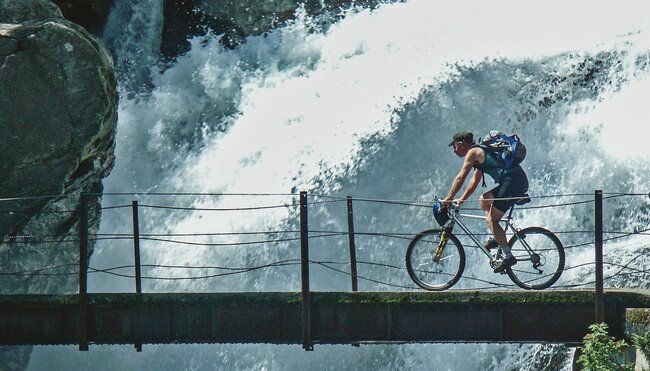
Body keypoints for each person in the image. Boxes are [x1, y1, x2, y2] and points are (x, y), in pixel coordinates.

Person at [441, 131, 529, 273]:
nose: (454, 151)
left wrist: (448, 198)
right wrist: (461, 200)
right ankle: (497, 236)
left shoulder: (473, 153)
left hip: (513, 182)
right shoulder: (481, 152)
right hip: (515, 179)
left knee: (493, 220)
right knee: (483, 200)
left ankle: (508, 256)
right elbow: (474, 180)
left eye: (454, 147)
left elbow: (460, 177)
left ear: (461, 144)